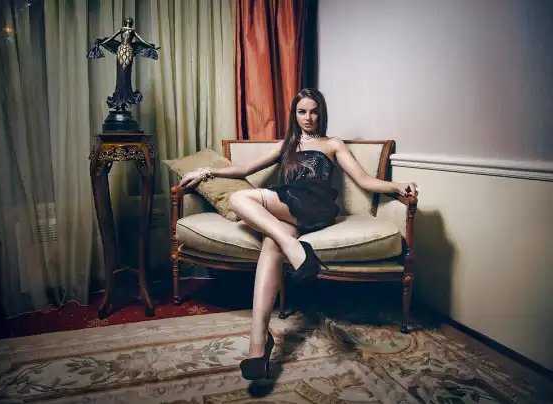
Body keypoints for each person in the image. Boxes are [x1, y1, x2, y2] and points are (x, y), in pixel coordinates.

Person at [178, 88, 419, 380]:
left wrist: (397, 186)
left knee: (239, 199)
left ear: (321, 114)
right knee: (271, 244)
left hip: (316, 205)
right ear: (294, 114)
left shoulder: (333, 143)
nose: (308, 118)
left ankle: (293, 248)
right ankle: (258, 345)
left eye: (314, 112)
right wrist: (205, 172)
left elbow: (365, 180)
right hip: (288, 206)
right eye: (302, 112)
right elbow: (244, 169)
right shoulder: (288, 144)